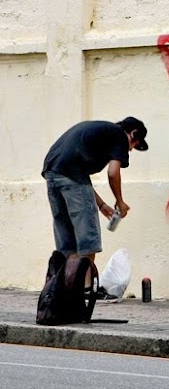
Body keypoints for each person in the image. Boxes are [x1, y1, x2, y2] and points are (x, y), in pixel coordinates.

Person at [41, 117, 149, 294]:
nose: (130, 149)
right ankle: (86, 287)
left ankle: (69, 286)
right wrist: (120, 201)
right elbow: (113, 173)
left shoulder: (100, 131)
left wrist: (101, 205)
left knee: (67, 239)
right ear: (133, 134)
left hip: (52, 174)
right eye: (134, 145)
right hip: (70, 175)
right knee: (87, 237)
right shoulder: (119, 136)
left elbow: (79, 177)